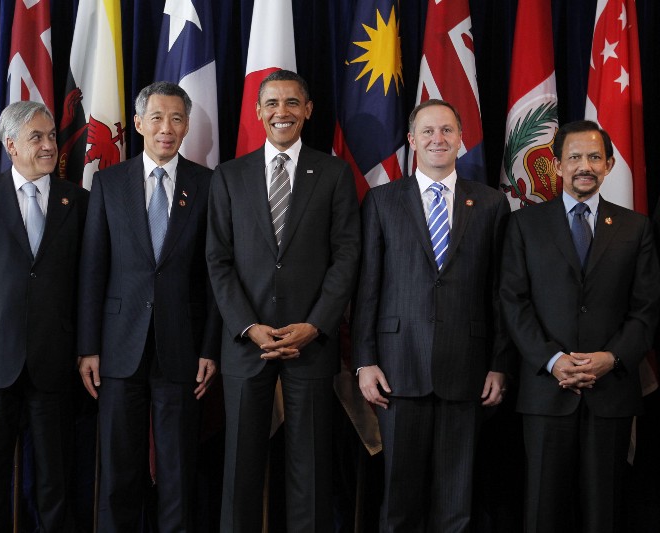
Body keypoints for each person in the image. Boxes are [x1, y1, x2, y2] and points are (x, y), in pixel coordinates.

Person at [207, 69, 360, 532]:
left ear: (308, 111)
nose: (282, 113)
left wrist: (315, 325)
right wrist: (247, 326)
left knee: (310, 467)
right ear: (257, 112)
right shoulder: (229, 176)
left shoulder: (333, 173)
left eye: (292, 103)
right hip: (245, 343)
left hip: (309, 343)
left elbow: (347, 255)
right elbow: (218, 259)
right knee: (240, 466)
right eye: (272, 103)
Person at [352, 99, 510, 532]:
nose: (437, 139)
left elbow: (501, 292)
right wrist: (364, 361)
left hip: (468, 367)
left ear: (461, 139)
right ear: (411, 141)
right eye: (428, 132)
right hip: (397, 368)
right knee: (399, 502)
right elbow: (367, 288)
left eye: (446, 131)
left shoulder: (492, 203)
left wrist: (498, 363)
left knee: (456, 503)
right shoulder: (383, 201)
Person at [500, 119, 660, 533]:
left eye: (593, 157)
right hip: (545, 391)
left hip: (610, 392)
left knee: (603, 513)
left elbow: (645, 309)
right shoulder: (524, 225)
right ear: (556, 166)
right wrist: (552, 359)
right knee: (541, 512)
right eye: (574, 157)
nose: (583, 165)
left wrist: (612, 357)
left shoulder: (635, 228)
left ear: (608, 164)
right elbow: (513, 303)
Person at [77, 81, 220, 532]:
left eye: (176, 119)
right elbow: (93, 270)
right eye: (156, 118)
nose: (166, 128)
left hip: (182, 347)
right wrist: (88, 347)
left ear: (187, 126)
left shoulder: (209, 183)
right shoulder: (107, 183)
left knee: (178, 471)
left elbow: (215, 275)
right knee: (119, 469)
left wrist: (210, 348)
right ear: (137, 124)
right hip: (118, 348)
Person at [0, 101, 89, 532]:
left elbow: (87, 280)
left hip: (54, 355)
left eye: (51, 137)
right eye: (37, 138)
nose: (49, 145)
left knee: (53, 475)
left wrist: (85, 346)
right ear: (10, 145)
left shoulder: (77, 200)